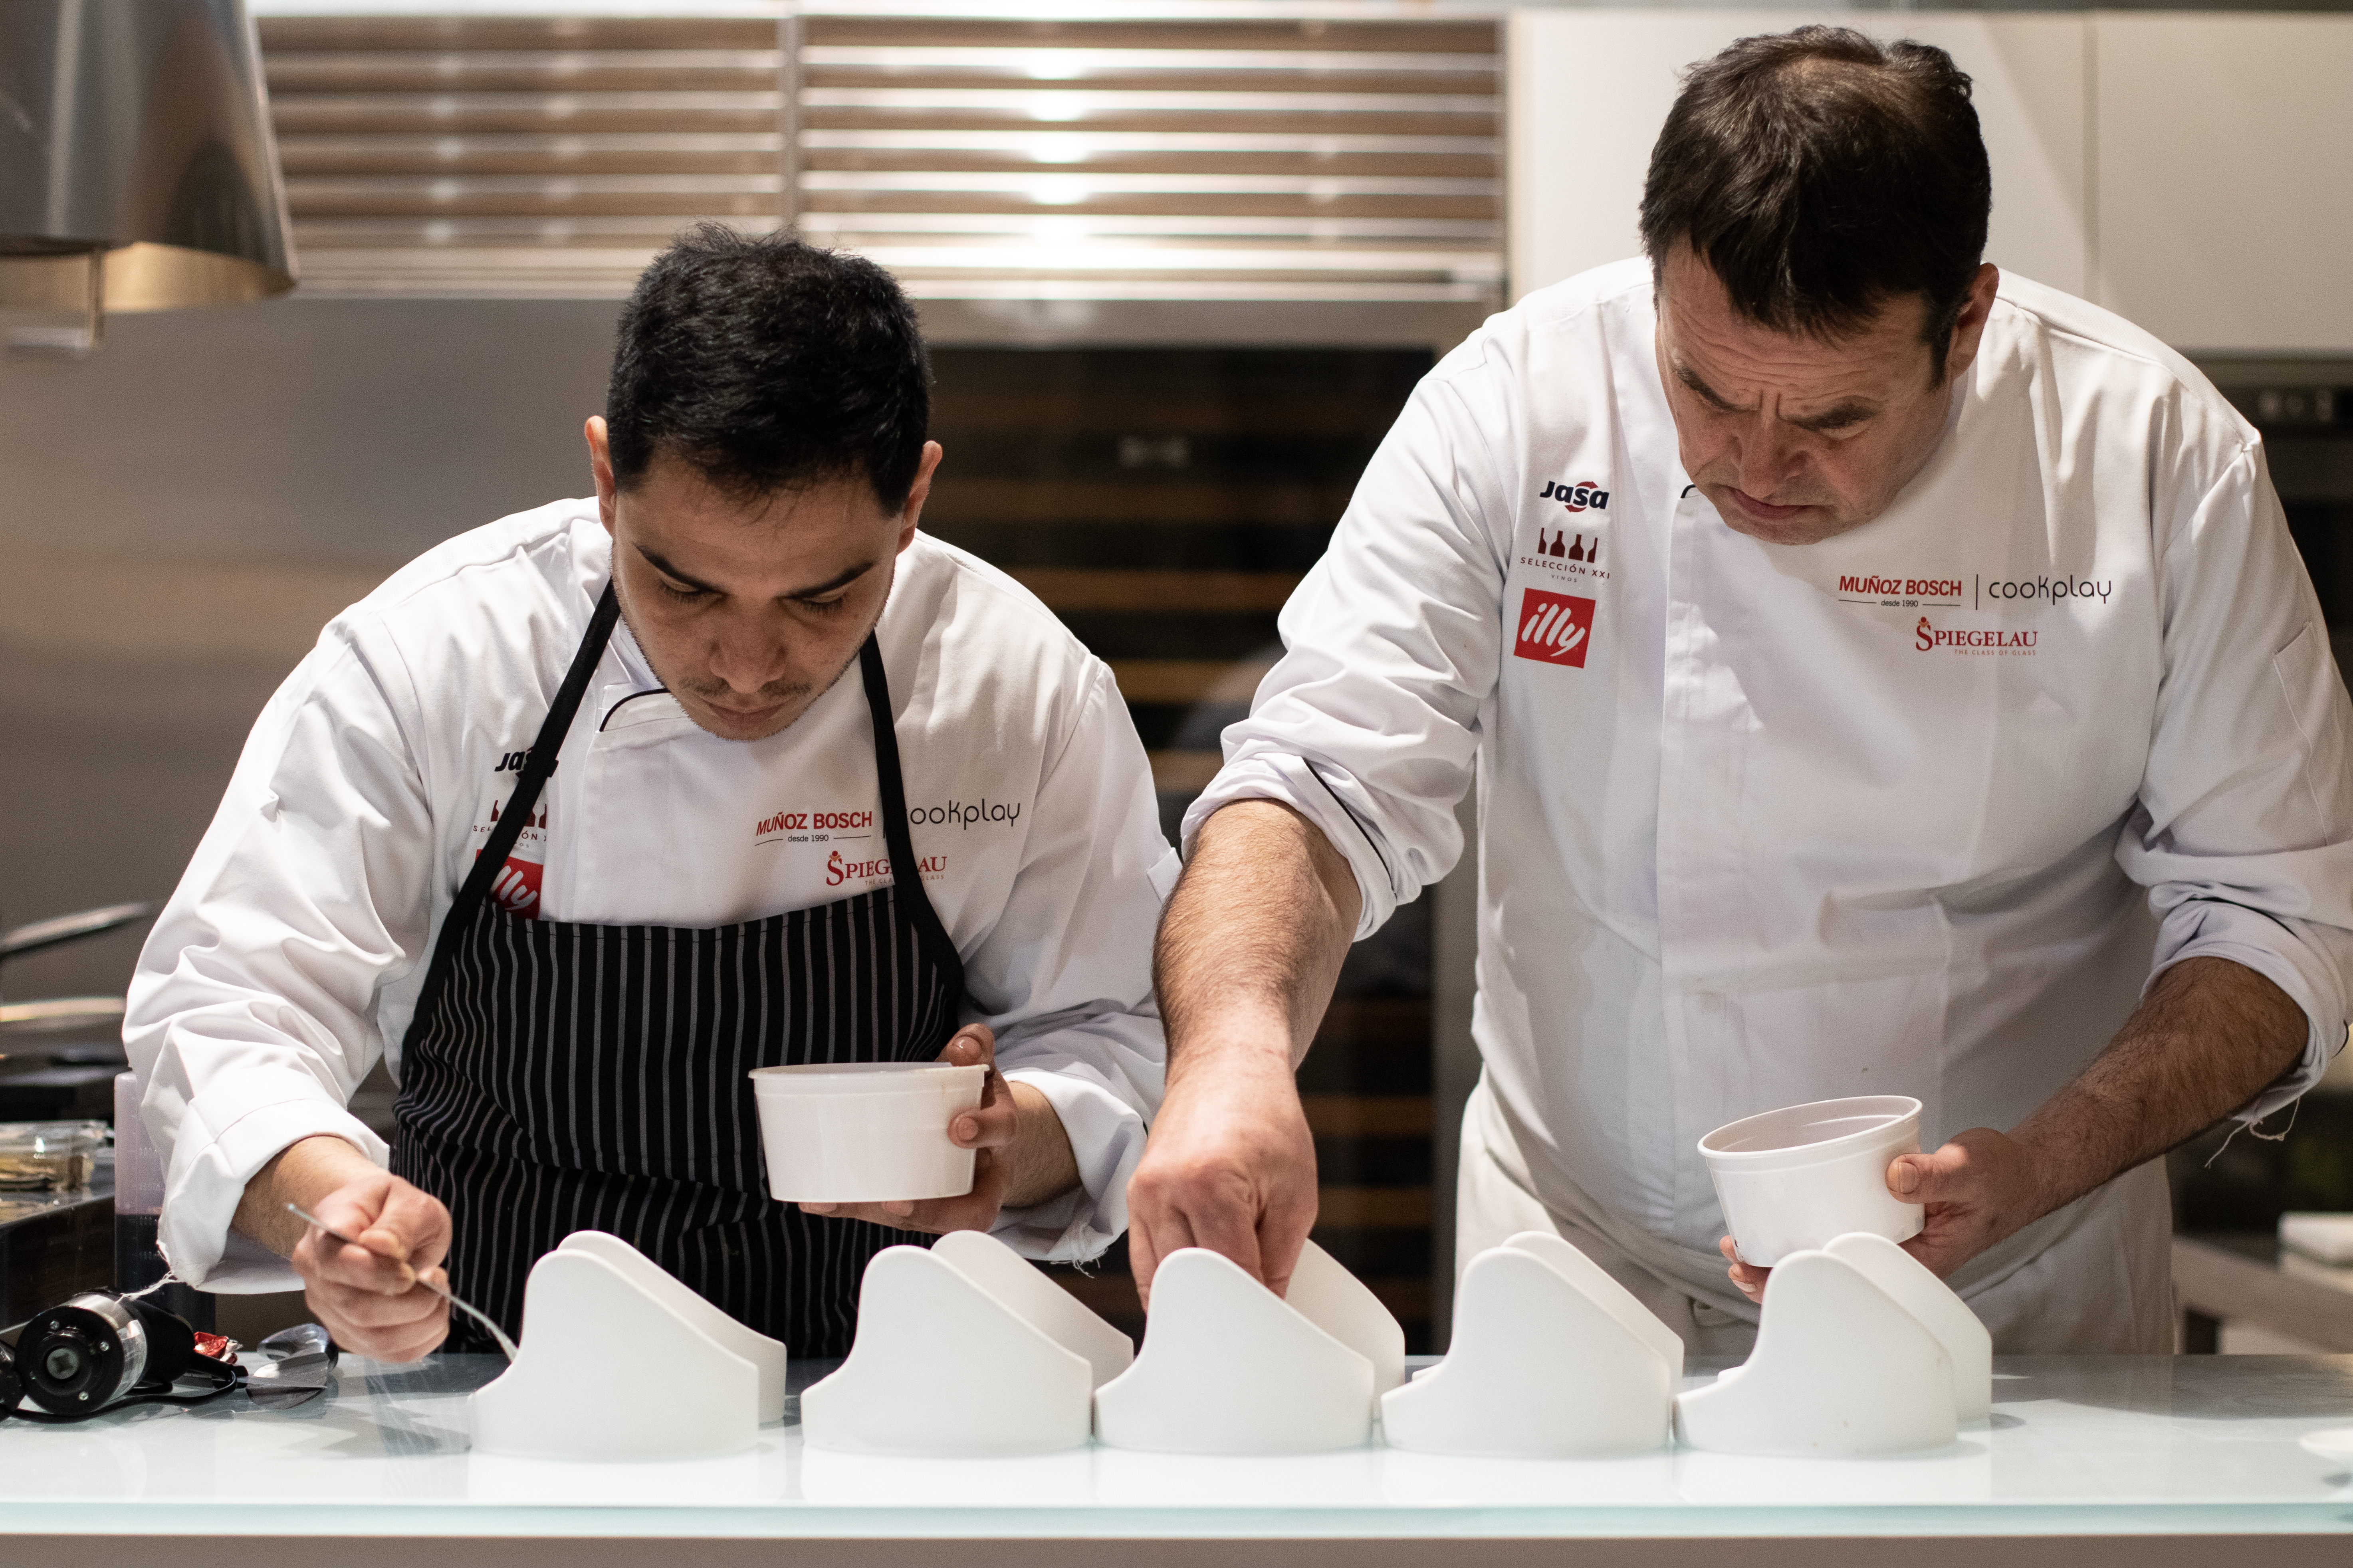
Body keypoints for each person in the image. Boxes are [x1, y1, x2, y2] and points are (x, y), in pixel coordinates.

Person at [1129, 26, 2353, 1354]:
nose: (1756, 462)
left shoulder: (2153, 461)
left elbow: (2279, 912)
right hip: (1584, 1264)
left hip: (2010, 1286)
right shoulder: (1517, 406)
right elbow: (1313, 785)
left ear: (1970, 320)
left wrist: (2047, 1160)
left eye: (1834, 420)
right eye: (1704, 390)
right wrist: (1232, 1057)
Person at [123, 228, 1174, 1360]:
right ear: (607, 479)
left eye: (825, 598)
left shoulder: (1015, 687)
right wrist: (331, 1209)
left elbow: (1112, 1029)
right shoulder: (434, 660)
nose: (747, 664)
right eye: (683, 584)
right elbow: (228, 1007)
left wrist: (1012, 1140)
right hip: (485, 1400)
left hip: (881, 1410)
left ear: (913, 499)